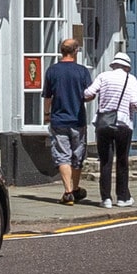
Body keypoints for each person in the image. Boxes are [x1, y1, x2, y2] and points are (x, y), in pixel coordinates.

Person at [85, 52, 137, 207]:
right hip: (123, 123)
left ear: (113, 65)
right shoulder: (130, 79)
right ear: (127, 67)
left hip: (104, 123)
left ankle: (105, 198)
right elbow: (135, 102)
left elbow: (88, 93)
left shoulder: (103, 76)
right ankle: (123, 197)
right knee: (122, 161)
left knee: (105, 161)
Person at [44, 38, 92, 205]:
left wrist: (46, 113)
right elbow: (89, 94)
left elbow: (48, 96)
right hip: (78, 119)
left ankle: (68, 192)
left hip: (59, 120)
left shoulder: (52, 71)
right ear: (75, 51)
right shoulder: (82, 71)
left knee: (62, 156)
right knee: (77, 156)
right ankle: (75, 188)